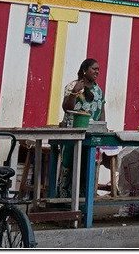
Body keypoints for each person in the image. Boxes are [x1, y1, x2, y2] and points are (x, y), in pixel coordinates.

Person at [60, 58, 106, 196]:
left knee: (88, 167)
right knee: (69, 166)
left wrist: (103, 127)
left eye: (98, 69)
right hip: (72, 136)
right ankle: (64, 200)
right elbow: (66, 108)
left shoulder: (98, 90)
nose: (97, 71)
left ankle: (84, 200)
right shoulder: (72, 86)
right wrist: (74, 92)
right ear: (85, 70)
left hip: (91, 136)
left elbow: (101, 109)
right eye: (94, 69)